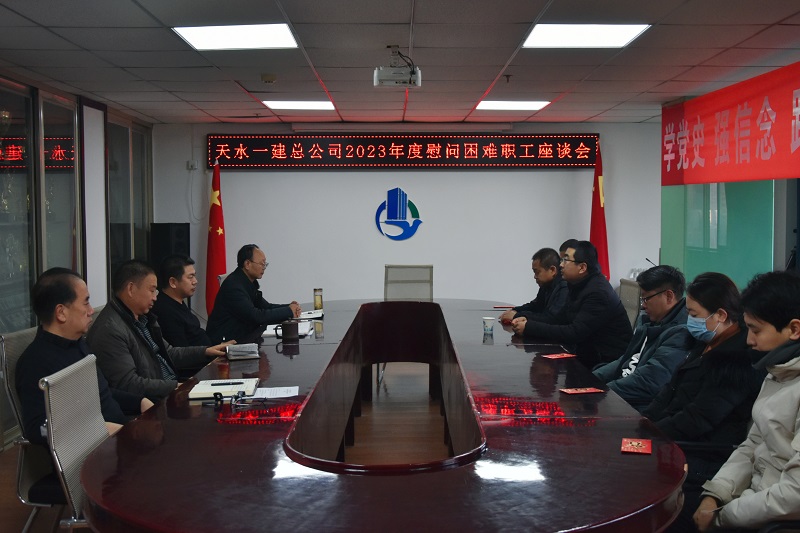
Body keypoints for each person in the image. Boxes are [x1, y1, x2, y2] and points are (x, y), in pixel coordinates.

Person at [641, 272, 765, 533]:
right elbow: (669, 391)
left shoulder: (738, 360)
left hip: (703, 453)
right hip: (673, 438)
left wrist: (653, 433)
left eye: (694, 314)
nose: (689, 320)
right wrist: (643, 423)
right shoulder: (705, 342)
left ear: (720, 315)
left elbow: (699, 418)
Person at [694, 270, 800, 531]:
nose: (749, 340)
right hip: (752, 501)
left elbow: (794, 495)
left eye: (755, 330)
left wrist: (723, 516)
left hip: (773, 520)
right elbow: (753, 444)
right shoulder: (778, 372)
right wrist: (715, 494)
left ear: (794, 329)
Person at [15, 268, 153, 445]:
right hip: (95, 451)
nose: (91, 310)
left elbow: (99, 393)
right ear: (61, 312)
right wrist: (100, 429)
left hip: (121, 435)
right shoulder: (35, 363)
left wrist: (140, 402)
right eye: (86, 302)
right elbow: (38, 428)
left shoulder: (77, 344)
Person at [88, 260, 232, 400]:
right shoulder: (110, 331)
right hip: (155, 401)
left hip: (170, 389)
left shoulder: (144, 318)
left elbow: (169, 353)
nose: (155, 297)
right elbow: (128, 383)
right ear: (131, 289)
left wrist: (206, 351)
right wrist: (178, 387)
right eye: (151, 290)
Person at [511, 240, 633, 368]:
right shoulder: (578, 285)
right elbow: (559, 319)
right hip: (587, 355)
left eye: (565, 260)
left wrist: (529, 327)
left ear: (582, 268)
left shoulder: (598, 292)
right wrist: (527, 320)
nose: (561, 265)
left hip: (607, 363)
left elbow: (574, 333)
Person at [592, 265, 693, 411]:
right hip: (622, 393)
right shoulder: (650, 321)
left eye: (646, 299)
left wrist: (603, 392)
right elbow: (626, 359)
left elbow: (649, 381)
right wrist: (591, 380)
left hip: (640, 407)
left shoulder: (681, 332)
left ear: (669, 296)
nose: (643, 306)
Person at [207, 244, 301, 344]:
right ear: (247, 264)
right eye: (262, 264)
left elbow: (266, 307)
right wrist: (288, 311)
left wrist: (290, 307)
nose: (264, 267)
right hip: (224, 344)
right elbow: (256, 316)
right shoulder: (233, 286)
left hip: (243, 339)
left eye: (265, 264)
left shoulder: (247, 282)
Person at [151, 254, 211, 346]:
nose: (195, 281)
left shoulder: (178, 302)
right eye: (190, 277)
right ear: (173, 282)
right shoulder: (165, 311)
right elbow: (181, 350)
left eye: (194, 276)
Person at [499, 247, 568, 324]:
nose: (535, 276)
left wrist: (516, 315)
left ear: (552, 270)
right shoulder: (546, 285)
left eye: (537, 272)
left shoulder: (564, 287)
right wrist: (514, 310)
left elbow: (550, 318)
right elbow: (535, 306)